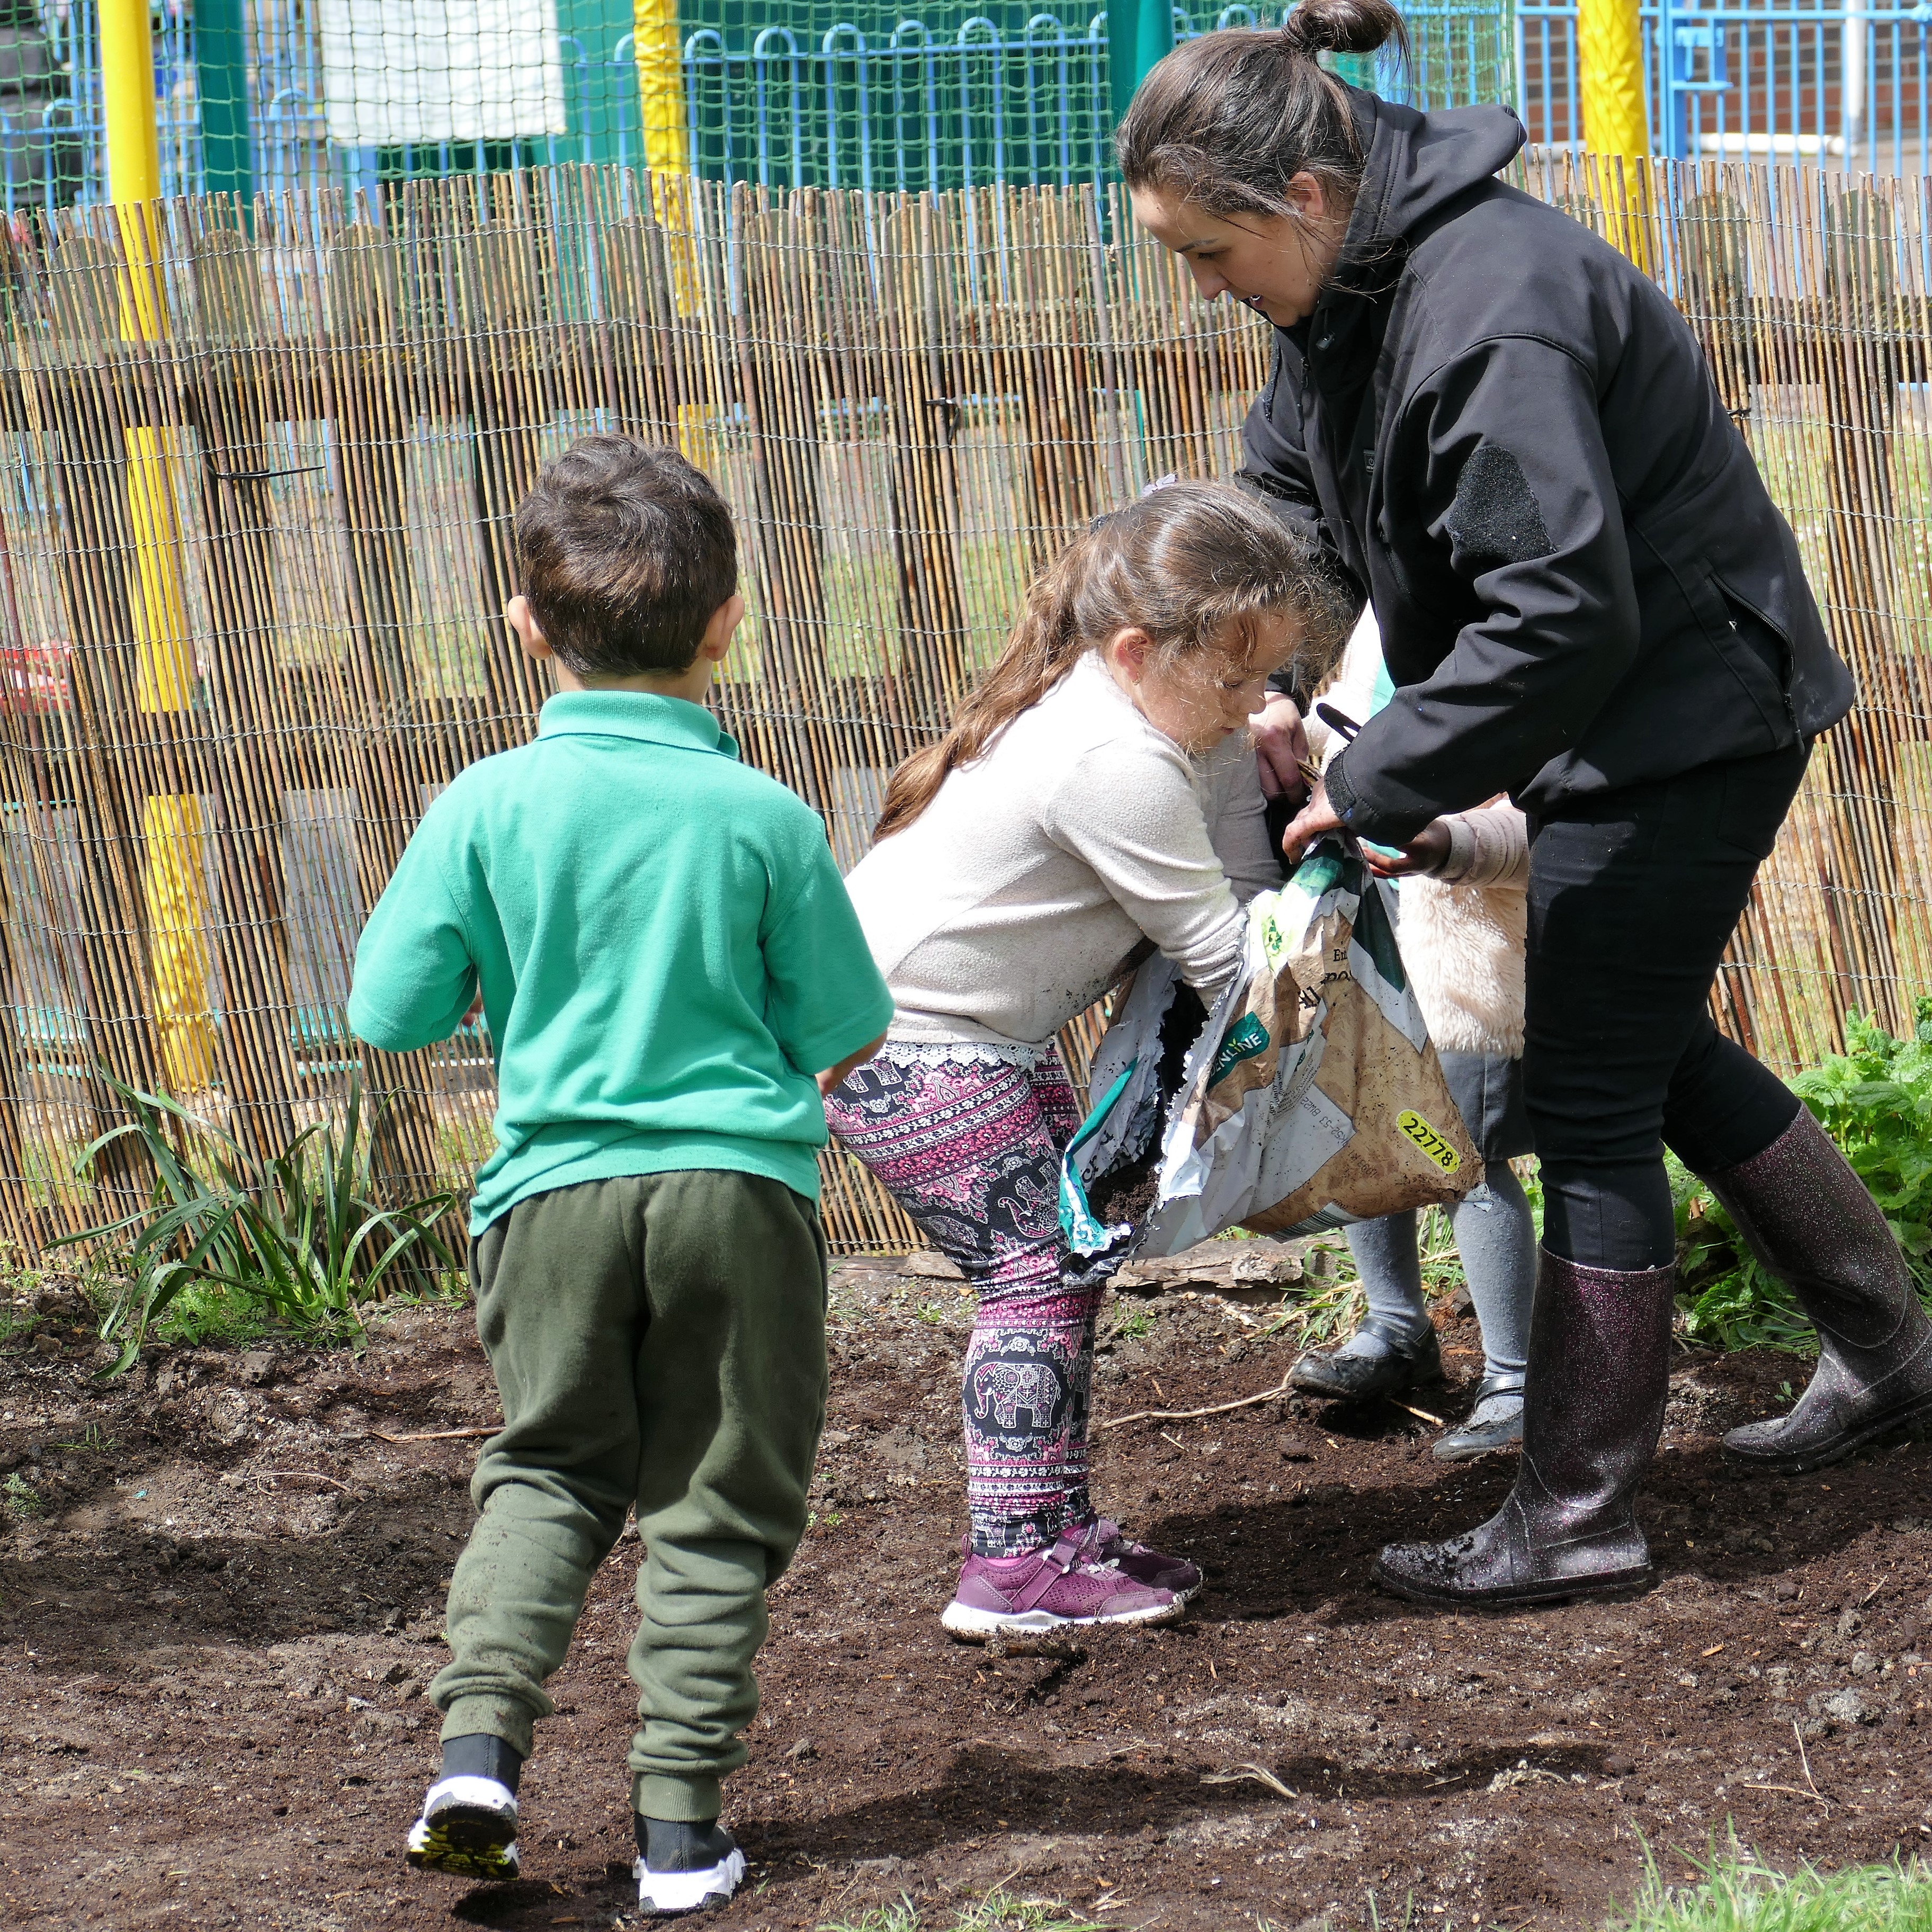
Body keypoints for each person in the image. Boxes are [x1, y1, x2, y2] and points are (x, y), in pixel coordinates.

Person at [1119, 1, 1932, 1608]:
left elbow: (1565, 611)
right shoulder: (1347, 298)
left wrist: (1370, 780)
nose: (1203, 290)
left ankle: (1577, 1510)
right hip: (1600, 714)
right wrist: (1271, 678)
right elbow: (1295, 505)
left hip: (1688, 721)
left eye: (1209, 253)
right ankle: (1891, 1350)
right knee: (1650, 1044)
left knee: (1593, 1094)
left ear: (1309, 200)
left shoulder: (1492, 311)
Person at [347, 437, 892, 1913]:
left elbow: (386, 1014)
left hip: (549, 1201)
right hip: (738, 1200)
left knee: (548, 1470)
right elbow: (850, 1029)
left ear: (527, 628)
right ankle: (677, 1839)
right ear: (729, 624)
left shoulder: (481, 805)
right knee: (715, 1506)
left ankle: (477, 1756)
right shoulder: (768, 819)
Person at [826, 479, 1340, 1639]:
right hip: (907, 1044)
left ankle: (1048, 1527)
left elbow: (1232, 877)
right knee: (1038, 1274)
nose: (1261, 700)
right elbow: (1228, 959)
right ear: (1137, 648)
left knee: (1070, 1261)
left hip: (981, 1039)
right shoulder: (1113, 759)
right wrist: (1334, 911)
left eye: (1277, 674)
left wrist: (1263, 760)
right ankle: (1011, 1570)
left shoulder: (1159, 717)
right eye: (1239, 675)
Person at [1286, 612, 1535, 1460]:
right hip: (1370, 884)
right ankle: (1398, 1327)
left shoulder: (1519, 596)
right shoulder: (1384, 585)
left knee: (1465, 1145)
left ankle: (1517, 1379)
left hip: (1465, 916)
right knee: (1365, 1110)